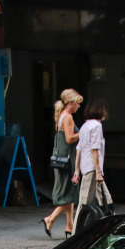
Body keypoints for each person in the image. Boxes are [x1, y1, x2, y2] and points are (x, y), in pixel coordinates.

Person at [42, 89, 81, 239]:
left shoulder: (61, 116)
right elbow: (70, 138)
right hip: (67, 160)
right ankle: (50, 218)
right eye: (77, 103)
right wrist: (83, 132)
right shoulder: (68, 118)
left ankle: (69, 225)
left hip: (60, 159)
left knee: (69, 192)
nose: (78, 106)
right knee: (69, 193)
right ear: (70, 103)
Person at [72, 98, 111, 235]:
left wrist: (77, 170)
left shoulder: (85, 126)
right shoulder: (96, 126)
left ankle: (106, 225)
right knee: (85, 202)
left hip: (87, 167)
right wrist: (99, 172)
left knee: (105, 198)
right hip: (93, 169)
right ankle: (76, 233)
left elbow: (79, 149)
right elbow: (95, 150)